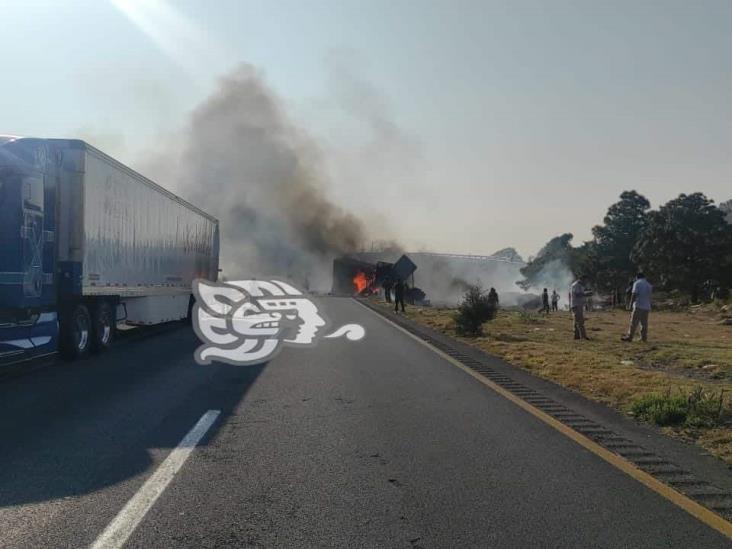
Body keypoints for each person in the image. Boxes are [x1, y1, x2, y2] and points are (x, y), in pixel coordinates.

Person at [622, 272, 652, 342]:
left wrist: (630, 305)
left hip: (638, 305)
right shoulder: (649, 285)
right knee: (644, 323)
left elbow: (634, 295)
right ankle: (644, 338)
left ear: (637, 277)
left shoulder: (637, 283)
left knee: (633, 322)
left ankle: (630, 337)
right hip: (646, 306)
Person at [570, 275, 592, 340]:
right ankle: (583, 336)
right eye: (585, 280)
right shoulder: (576, 285)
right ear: (581, 279)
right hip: (576, 305)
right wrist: (586, 294)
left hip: (579, 304)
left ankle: (577, 336)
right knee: (580, 321)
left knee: (576, 321)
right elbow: (578, 294)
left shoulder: (580, 285)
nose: (586, 282)